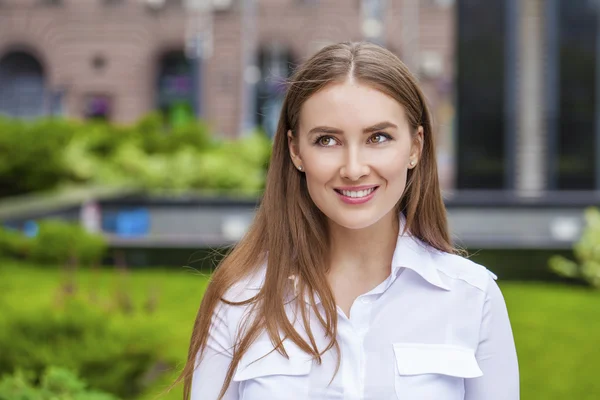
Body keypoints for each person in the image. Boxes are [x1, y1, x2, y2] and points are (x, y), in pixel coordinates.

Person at [174, 41, 520, 400]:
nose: (353, 168)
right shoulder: (240, 300)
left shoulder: (471, 296)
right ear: (296, 151)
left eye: (378, 138)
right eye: (327, 140)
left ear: (415, 147)